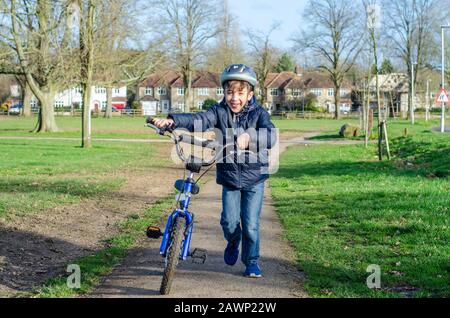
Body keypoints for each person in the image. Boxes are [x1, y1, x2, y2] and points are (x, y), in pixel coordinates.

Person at [152, 64, 277, 278]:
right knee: (229, 222)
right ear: (224, 93)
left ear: (250, 94)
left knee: (250, 225)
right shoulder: (218, 112)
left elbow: (270, 135)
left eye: (240, 93)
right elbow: (199, 120)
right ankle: (233, 241)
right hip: (229, 177)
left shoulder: (259, 114)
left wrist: (251, 137)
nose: (234, 98)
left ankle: (252, 261)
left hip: (254, 177)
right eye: (230, 92)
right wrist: (173, 121)